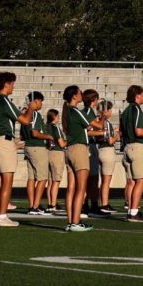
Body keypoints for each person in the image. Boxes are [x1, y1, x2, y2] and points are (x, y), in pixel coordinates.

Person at [0, 71, 35, 228]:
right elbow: (26, 120)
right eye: (12, 83)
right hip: (4, 142)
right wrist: (31, 109)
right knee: (7, 181)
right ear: (6, 84)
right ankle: (2, 216)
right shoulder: (3, 100)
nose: (13, 86)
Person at [119, 85, 143, 223]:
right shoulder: (135, 109)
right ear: (137, 96)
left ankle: (130, 209)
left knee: (131, 181)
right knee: (140, 180)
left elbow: (122, 133)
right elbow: (138, 131)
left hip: (127, 147)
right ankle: (134, 211)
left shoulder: (124, 112)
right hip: (137, 147)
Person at [62, 85, 95, 232]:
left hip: (69, 150)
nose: (82, 94)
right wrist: (103, 117)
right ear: (74, 96)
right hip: (79, 149)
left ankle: (71, 221)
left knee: (71, 188)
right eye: (79, 93)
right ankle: (75, 221)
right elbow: (92, 125)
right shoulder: (75, 110)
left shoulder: (67, 111)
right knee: (81, 188)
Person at [21, 90, 51, 216]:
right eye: (40, 101)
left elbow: (22, 135)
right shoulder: (35, 114)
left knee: (32, 178)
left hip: (28, 146)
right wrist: (49, 137)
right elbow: (35, 132)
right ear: (36, 101)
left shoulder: (25, 114)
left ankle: (32, 205)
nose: (41, 104)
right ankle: (36, 205)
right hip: (37, 147)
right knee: (43, 177)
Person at [94, 100, 118, 216]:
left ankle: (100, 202)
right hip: (107, 150)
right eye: (110, 109)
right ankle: (104, 203)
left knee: (101, 180)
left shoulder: (96, 121)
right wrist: (118, 135)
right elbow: (110, 140)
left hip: (99, 150)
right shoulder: (106, 123)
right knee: (106, 181)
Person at [45, 108, 65, 212]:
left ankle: (50, 203)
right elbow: (61, 143)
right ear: (54, 117)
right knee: (56, 180)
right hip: (56, 153)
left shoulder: (46, 126)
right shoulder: (55, 127)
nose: (59, 118)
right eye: (57, 116)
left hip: (48, 152)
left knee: (50, 181)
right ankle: (53, 204)